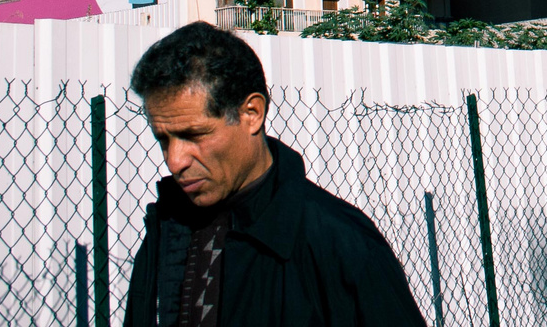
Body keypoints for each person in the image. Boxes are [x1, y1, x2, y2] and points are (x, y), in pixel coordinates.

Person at [124, 23, 426, 327]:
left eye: (194, 135)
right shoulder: (166, 231)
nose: (175, 161)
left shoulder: (338, 242)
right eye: (163, 139)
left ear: (251, 114)